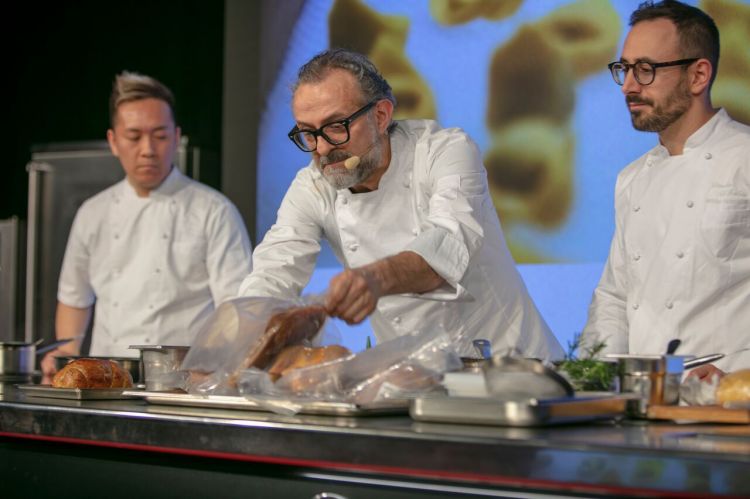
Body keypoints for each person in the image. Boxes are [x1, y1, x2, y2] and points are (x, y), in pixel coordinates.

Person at [238, 48, 564, 361]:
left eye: (336, 126)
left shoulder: (444, 151)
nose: (322, 149)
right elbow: (274, 269)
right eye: (308, 133)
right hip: (414, 378)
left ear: (380, 116)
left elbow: (447, 247)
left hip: (512, 366)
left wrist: (375, 279)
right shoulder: (312, 186)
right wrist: (242, 332)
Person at [41, 71, 253, 379]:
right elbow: (75, 298)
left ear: (177, 137)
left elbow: (235, 309)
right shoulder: (93, 212)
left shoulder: (214, 211)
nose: (148, 149)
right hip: (107, 380)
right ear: (113, 141)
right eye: (134, 136)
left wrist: (215, 361)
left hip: (183, 381)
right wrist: (66, 352)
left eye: (160, 136)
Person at [582, 0, 750, 378]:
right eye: (624, 69)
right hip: (651, 405)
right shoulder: (632, 178)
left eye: (645, 70)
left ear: (698, 75)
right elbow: (614, 296)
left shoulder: (744, 158)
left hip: (733, 407)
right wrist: (600, 379)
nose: (627, 86)